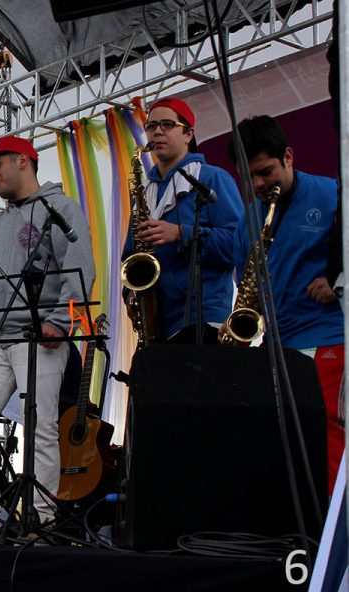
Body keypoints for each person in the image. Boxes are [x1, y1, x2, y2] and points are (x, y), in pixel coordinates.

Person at [0, 136, 95, 527]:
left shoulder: (61, 207)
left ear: (24, 161)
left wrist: (61, 321)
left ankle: (41, 517)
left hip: (40, 336)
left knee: (41, 426)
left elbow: (82, 267)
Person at [226, 115, 345, 491]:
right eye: (250, 177)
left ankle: (334, 535)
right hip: (279, 348)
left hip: (328, 339)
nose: (259, 185)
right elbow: (247, 284)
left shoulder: (332, 194)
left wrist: (339, 282)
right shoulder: (249, 219)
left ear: (289, 156)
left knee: (330, 440)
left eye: (266, 172)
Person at [122, 97, 242, 343]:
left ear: (188, 134)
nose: (157, 131)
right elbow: (131, 255)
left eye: (167, 124)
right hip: (158, 321)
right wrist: (131, 295)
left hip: (204, 318)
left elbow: (238, 244)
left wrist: (180, 233)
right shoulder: (144, 191)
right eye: (151, 126)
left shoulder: (213, 179)